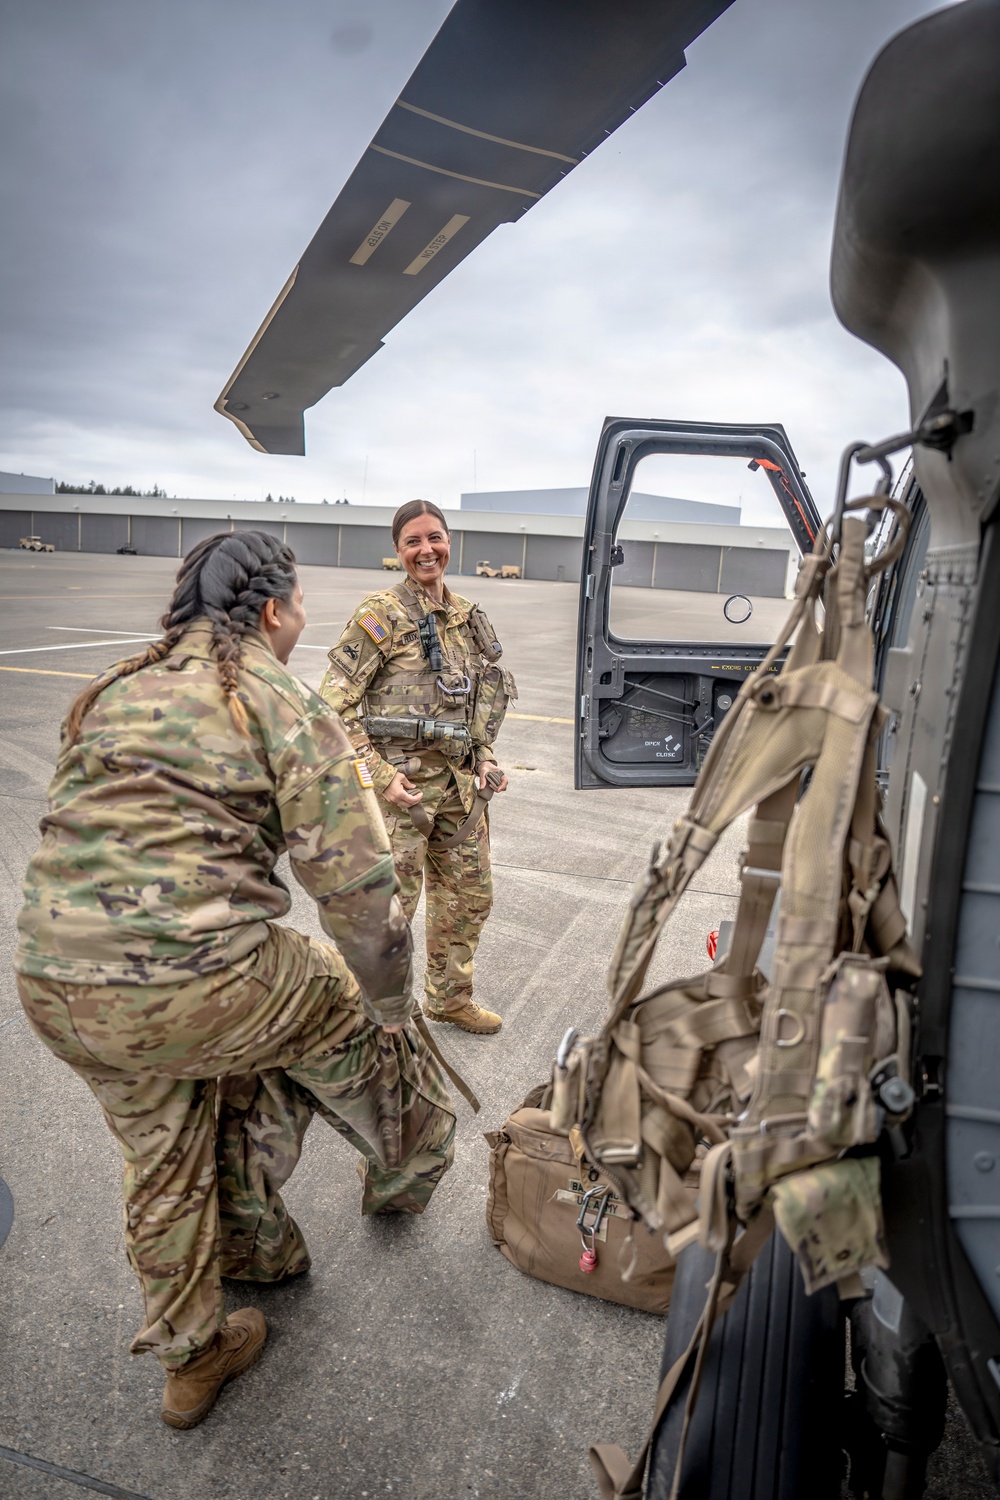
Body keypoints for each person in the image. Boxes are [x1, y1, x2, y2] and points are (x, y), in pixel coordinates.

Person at [14, 530, 455, 1430]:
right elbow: (362, 894)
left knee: (161, 1156)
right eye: (298, 612)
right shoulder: (273, 694)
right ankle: (406, 1164)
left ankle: (192, 1356)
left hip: (58, 984)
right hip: (195, 978)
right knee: (348, 998)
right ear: (270, 612)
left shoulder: (112, 690)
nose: (301, 627)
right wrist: (393, 1006)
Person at [320, 500, 516, 1036]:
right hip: (399, 795)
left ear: (449, 541)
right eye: (413, 542)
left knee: (470, 899)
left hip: (459, 793)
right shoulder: (380, 614)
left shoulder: (466, 618)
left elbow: (476, 705)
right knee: (390, 915)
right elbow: (332, 705)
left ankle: (448, 998)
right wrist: (381, 778)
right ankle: (360, 1021)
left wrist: (487, 759)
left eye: (434, 538)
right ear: (398, 550)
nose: (425, 550)